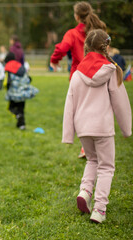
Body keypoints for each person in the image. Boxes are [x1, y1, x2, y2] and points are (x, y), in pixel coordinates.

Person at [62, 29, 132, 223]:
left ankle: (85, 191)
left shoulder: (77, 74)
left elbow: (70, 104)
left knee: (92, 160)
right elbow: (121, 102)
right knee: (107, 167)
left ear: (86, 47)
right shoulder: (111, 70)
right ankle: (99, 209)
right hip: (102, 127)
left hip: (83, 127)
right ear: (106, 46)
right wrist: (127, 129)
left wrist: (68, 134)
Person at [50, 1, 106, 158]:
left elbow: (62, 48)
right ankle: (98, 144)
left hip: (80, 77)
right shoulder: (99, 30)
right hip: (100, 74)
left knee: (81, 112)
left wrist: (54, 60)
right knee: (98, 109)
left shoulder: (72, 34)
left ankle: (85, 147)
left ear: (76, 16)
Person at [4, 52, 38, 130]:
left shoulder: (8, 67)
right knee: (21, 109)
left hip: (14, 93)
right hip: (23, 92)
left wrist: (6, 88)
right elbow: (29, 78)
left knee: (10, 108)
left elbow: (7, 81)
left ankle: (17, 115)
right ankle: (22, 125)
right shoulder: (20, 65)